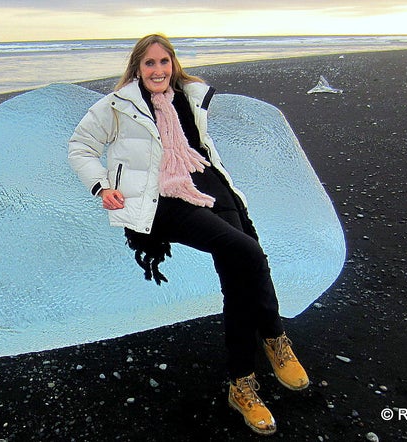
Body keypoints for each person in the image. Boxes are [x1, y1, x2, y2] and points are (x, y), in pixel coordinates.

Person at [67, 34, 309, 436]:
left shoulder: (191, 95)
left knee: (241, 265)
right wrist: (101, 186)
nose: (158, 70)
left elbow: (200, 145)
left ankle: (242, 382)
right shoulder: (117, 106)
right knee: (247, 252)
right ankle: (272, 334)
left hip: (208, 184)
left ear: (173, 64)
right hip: (162, 200)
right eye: (149, 64)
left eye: (164, 62)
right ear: (137, 68)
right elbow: (80, 146)